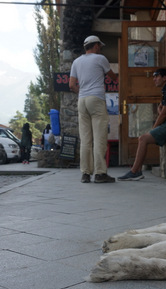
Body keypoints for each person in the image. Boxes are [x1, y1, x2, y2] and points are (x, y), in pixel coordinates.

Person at [69, 35, 118, 184]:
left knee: (85, 139)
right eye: (100, 46)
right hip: (96, 99)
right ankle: (100, 173)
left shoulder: (76, 62)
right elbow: (113, 77)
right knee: (99, 138)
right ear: (95, 46)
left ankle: (85, 174)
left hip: (82, 100)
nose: (100, 48)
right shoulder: (100, 59)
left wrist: (82, 92)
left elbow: (71, 85)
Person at [118, 68, 166, 181]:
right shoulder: (164, 90)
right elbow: (162, 111)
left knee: (143, 138)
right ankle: (137, 171)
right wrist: (159, 109)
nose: (154, 79)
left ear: (164, 78)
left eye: (157, 76)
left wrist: (153, 129)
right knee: (142, 138)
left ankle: (134, 171)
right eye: (153, 77)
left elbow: (163, 115)